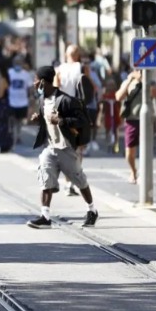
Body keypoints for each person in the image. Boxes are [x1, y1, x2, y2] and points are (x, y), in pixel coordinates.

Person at [26, 66, 98, 229]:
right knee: (45, 180)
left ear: (42, 81)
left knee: (80, 181)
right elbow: (47, 120)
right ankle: (45, 217)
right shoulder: (42, 100)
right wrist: (39, 119)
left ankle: (92, 210)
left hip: (66, 148)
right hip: (50, 147)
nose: (34, 83)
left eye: (35, 80)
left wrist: (62, 121)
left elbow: (83, 121)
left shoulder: (66, 100)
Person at [116, 69, 156, 184]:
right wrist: (130, 80)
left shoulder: (151, 81)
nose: (139, 71)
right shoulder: (128, 81)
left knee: (146, 149)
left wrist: (144, 80)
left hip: (147, 119)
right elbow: (118, 97)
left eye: (141, 70)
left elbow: (155, 94)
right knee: (129, 151)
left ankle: (143, 173)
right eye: (137, 69)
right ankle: (133, 171)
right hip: (131, 120)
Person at [7, 56, 33, 145]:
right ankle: (11, 130)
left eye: (19, 62)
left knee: (19, 120)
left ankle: (18, 135)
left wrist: (31, 97)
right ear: (13, 63)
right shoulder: (9, 73)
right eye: (16, 62)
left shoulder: (26, 74)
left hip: (22, 101)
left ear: (22, 64)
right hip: (11, 100)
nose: (18, 64)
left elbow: (30, 87)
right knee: (12, 118)